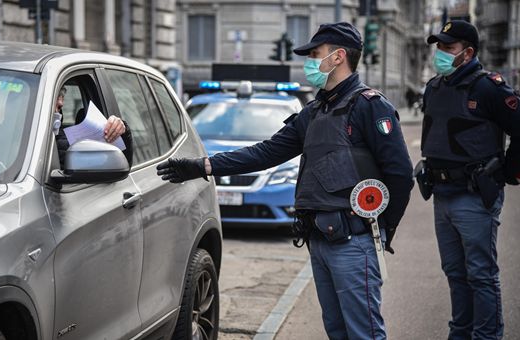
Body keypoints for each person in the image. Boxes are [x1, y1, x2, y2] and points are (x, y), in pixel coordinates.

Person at [157, 22, 414, 339]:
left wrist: (380, 229)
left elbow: (401, 175)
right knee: (337, 330)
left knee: (364, 333)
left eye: (315, 54)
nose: (308, 62)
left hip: (353, 241)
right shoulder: (315, 111)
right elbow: (264, 153)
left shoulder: (370, 107)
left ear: (338, 57)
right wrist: (203, 165)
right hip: (319, 238)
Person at [417, 20, 520, 339]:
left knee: (480, 274)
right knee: (455, 273)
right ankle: (460, 332)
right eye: (439, 47)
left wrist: (506, 173)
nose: (441, 53)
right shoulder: (434, 86)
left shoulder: (489, 87)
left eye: (448, 47)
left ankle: (486, 336)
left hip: (474, 195)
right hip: (442, 194)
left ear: (468, 52)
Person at [53, 86, 130, 168]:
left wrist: (121, 131)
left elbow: (121, 165)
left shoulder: (65, 139)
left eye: (59, 107)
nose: (60, 103)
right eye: (54, 97)